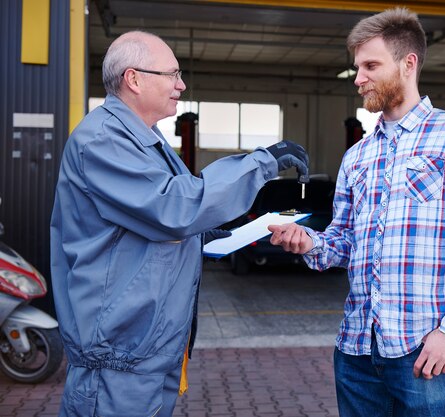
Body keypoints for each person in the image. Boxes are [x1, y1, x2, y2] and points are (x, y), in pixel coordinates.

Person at [268, 8, 445, 417]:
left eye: (370, 66)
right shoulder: (358, 156)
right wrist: (309, 242)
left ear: (408, 64)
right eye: (356, 68)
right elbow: (344, 241)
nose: (358, 78)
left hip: (426, 350)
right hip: (357, 351)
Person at [50, 31, 308, 417]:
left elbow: (147, 221)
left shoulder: (143, 138)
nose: (181, 84)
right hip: (117, 357)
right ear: (133, 79)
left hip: (145, 349)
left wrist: (209, 238)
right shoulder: (102, 140)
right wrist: (264, 161)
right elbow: (174, 207)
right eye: (172, 74)